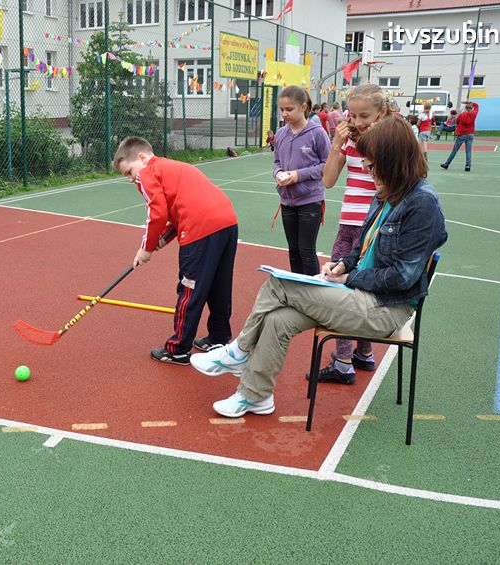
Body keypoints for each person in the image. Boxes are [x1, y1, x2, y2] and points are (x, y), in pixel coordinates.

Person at [190, 114, 448, 417]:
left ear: (395, 161)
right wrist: (341, 265)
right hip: (362, 296)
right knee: (279, 319)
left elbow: (403, 276)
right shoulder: (387, 193)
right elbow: (363, 248)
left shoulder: (422, 204)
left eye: (373, 164)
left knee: (279, 283)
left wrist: (350, 278)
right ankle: (255, 396)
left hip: (385, 309)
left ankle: (238, 351)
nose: (367, 170)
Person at [112, 136, 239, 365]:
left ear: (142, 158)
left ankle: (178, 349)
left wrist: (146, 248)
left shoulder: (147, 172)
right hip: (227, 223)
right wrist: (163, 238)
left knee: (189, 289)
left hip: (200, 229)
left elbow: (157, 213)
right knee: (218, 285)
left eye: (129, 172)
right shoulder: (173, 167)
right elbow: (178, 211)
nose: (132, 179)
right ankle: (219, 337)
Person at [320, 83, 389, 384]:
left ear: (382, 113)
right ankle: (362, 353)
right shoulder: (348, 139)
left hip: (373, 226)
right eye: (353, 115)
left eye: (365, 116)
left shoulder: (388, 141)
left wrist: (370, 142)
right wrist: (337, 143)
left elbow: (387, 185)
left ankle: (344, 361)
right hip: (348, 222)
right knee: (346, 288)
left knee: (346, 291)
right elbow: (329, 180)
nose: (358, 122)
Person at [273, 85, 331, 276]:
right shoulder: (281, 134)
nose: (284, 114)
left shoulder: (317, 133)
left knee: (306, 250)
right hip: (287, 200)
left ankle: (313, 292)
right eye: (282, 109)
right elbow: (276, 162)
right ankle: (297, 289)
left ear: (303, 107)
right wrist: (279, 173)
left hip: (310, 199)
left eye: (289, 109)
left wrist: (298, 175)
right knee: (293, 250)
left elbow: (326, 166)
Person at [441, 101, 479, 172]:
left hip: (462, 134)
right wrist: (468, 102)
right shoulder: (474, 113)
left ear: (465, 108)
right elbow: (477, 105)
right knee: (468, 151)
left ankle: (447, 164)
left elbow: (457, 121)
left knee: (454, 151)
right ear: (472, 108)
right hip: (470, 134)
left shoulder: (462, 115)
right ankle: (468, 166)